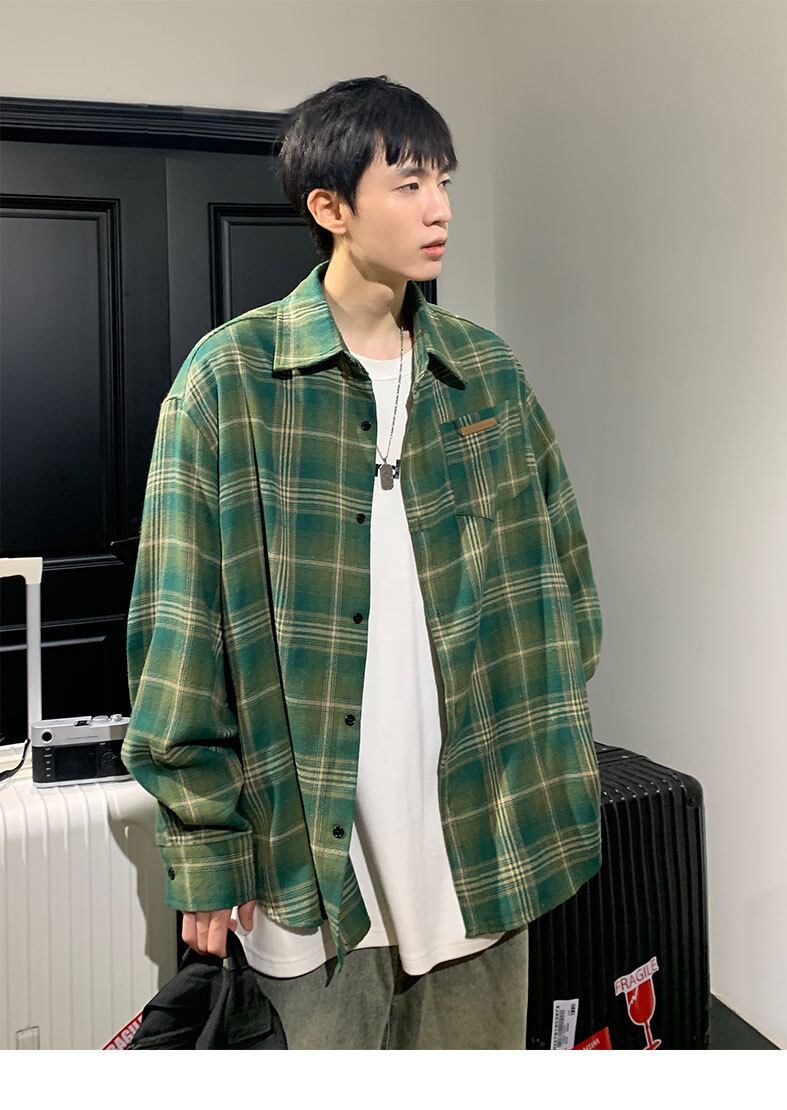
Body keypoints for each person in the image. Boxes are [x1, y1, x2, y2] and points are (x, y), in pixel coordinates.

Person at [123, 74, 603, 1050]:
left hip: (479, 847)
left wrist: (538, 745)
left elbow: (567, 585)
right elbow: (180, 633)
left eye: (444, 182)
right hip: (307, 862)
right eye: (409, 184)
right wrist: (206, 847)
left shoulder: (486, 374)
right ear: (330, 207)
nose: (440, 210)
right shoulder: (231, 382)